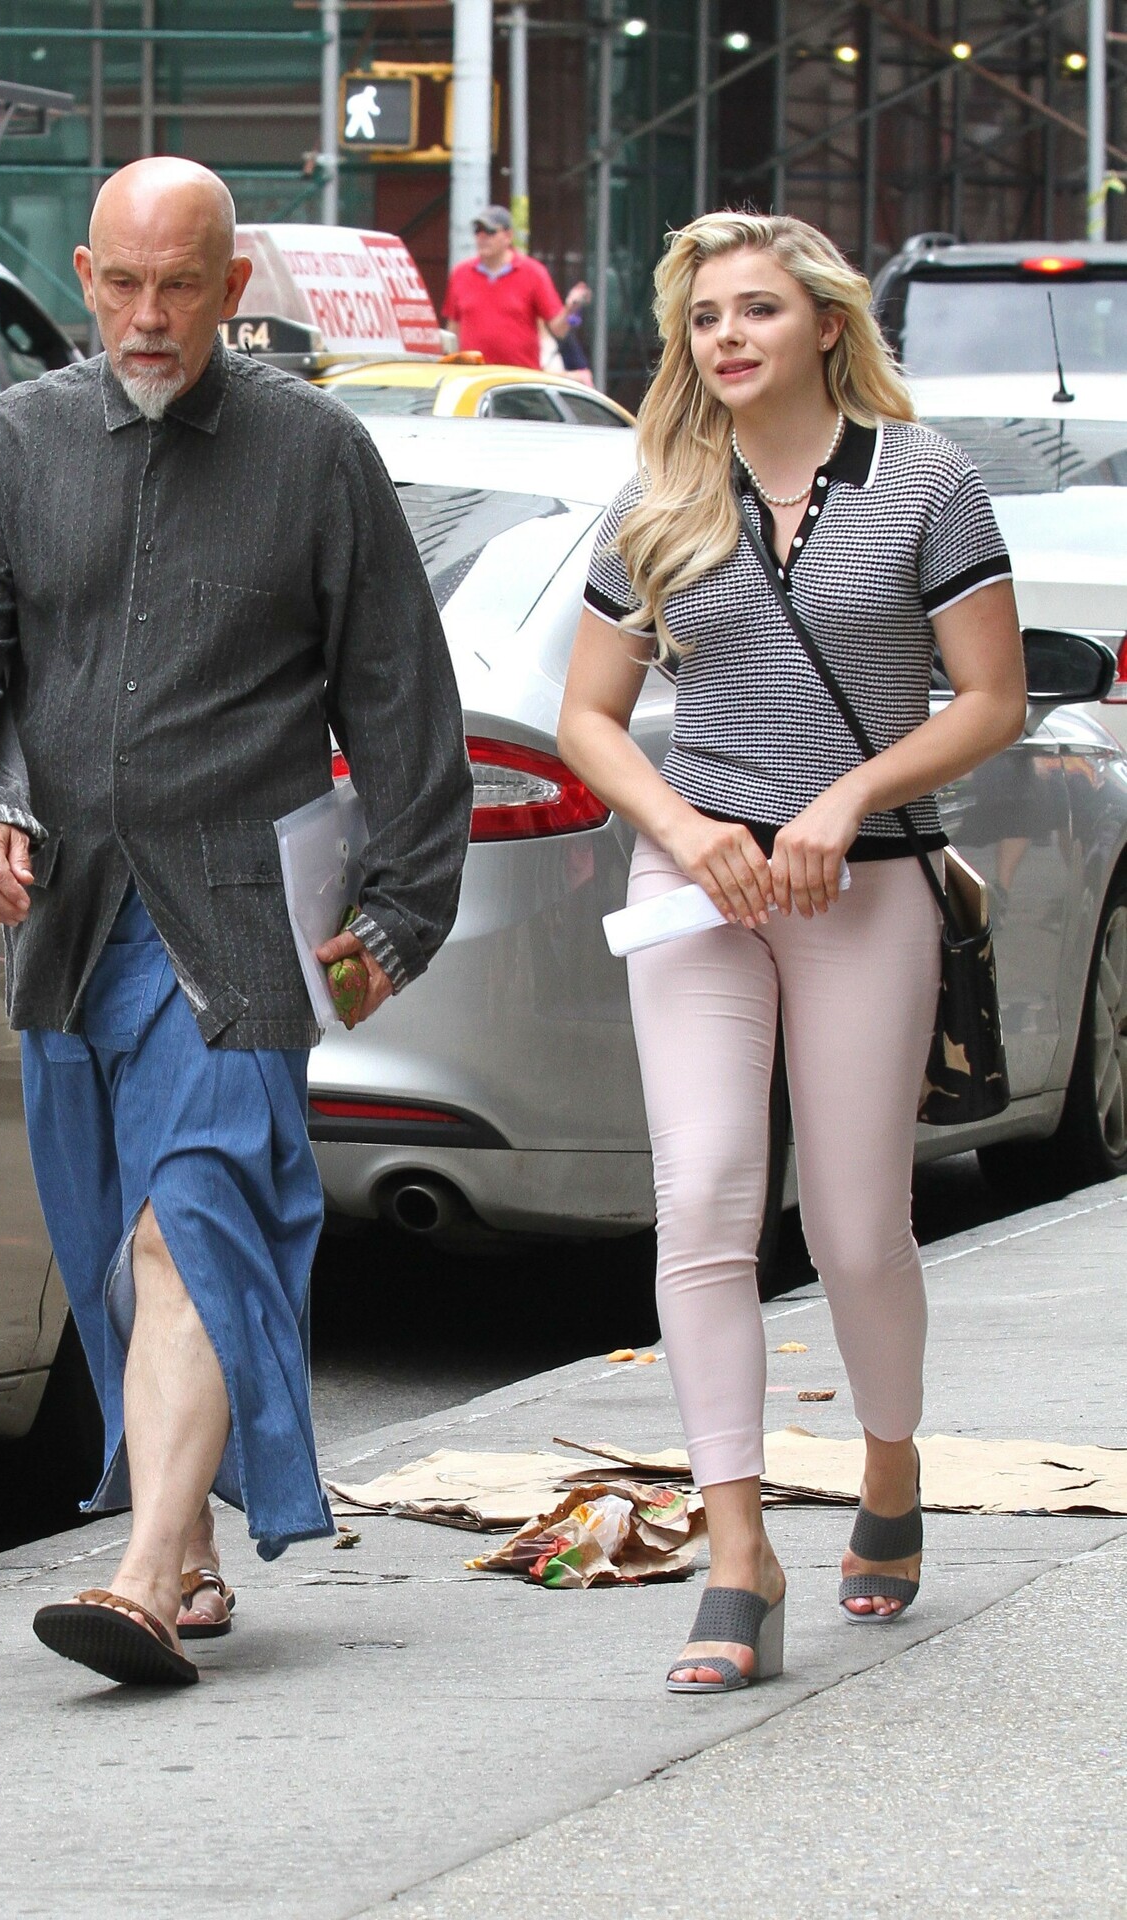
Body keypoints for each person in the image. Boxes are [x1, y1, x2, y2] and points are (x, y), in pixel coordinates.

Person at [0, 157, 472, 1690]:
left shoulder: (316, 454)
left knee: (193, 1224)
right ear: (86, 280)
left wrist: (396, 919)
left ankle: (146, 1575)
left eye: (180, 287)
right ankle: (193, 1541)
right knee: (113, 1247)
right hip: (68, 922)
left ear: (232, 287)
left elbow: (400, 698)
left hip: (239, 925)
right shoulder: (12, 445)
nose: (150, 317)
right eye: (124, 285)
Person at [557, 212, 1025, 1694]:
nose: (727, 339)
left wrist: (848, 797)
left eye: (757, 309)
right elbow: (587, 718)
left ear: (826, 323)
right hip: (696, 886)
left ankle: (888, 1464)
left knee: (853, 1225)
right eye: (705, 318)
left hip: (861, 884)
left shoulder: (925, 481)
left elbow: (991, 698)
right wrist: (682, 827)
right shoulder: (660, 492)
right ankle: (736, 1554)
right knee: (700, 1198)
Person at [441, 205, 589, 371]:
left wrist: (570, 309)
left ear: (508, 236)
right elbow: (452, 331)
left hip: (517, 379)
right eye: (477, 230)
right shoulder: (460, 274)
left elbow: (558, 329)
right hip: (473, 378)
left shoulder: (533, 272)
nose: (482, 237)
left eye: (490, 231)